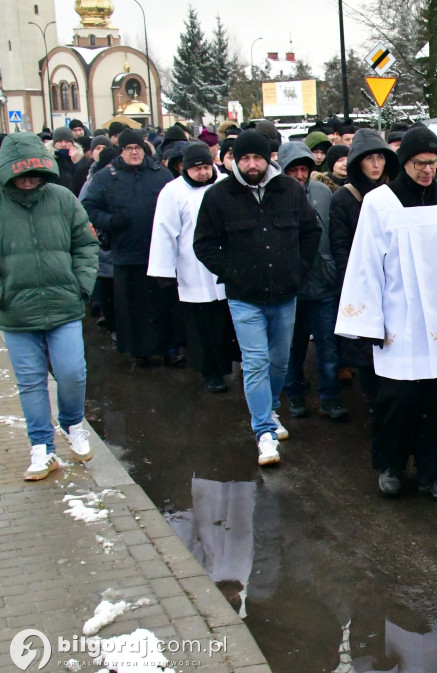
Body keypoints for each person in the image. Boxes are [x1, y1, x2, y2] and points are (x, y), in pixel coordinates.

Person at [335, 128, 437, 502]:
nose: (426, 171)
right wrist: (367, 322)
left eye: (433, 164)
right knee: (398, 399)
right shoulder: (380, 203)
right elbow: (365, 265)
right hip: (400, 320)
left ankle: (436, 471)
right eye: (420, 163)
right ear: (404, 162)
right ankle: (391, 464)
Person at [193, 131, 321, 466]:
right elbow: (203, 243)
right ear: (235, 159)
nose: (252, 164)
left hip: (284, 294)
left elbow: (311, 231)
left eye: (258, 158)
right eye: (245, 158)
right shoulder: (220, 195)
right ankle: (263, 432)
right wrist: (231, 271)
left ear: (269, 159)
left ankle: (271, 409)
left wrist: (300, 268)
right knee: (255, 362)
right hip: (244, 297)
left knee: (279, 360)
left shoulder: (289, 190)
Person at [0, 132, 99, 480]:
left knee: (72, 371)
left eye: (35, 173)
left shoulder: (62, 199)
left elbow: (86, 245)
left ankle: (72, 424)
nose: (29, 181)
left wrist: (80, 286)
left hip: (63, 305)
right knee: (30, 382)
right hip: (16, 312)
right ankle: (41, 448)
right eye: (21, 175)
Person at [82, 127, 176, 366]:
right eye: (129, 148)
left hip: (159, 252)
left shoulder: (160, 174)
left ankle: (169, 349)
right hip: (126, 252)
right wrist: (110, 222)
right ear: (121, 151)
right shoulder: (106, 177)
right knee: (134, 308)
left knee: (163, 305)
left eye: (138, 148)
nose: (135, 152)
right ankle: (139, 351)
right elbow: (89, 207)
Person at [148, 142, 236, 393]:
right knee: (201, 326)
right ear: (185, 168)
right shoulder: (172, 192)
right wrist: (163, 271)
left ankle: (225, 365)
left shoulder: (225, 185)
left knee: (224, 322)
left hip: (225, 265)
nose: (202, 173)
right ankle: (209, 371)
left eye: (206, 167)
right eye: (196, 168)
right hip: (192, 269)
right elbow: (164, 232)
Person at [277, 142, 348, 421]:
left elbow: (332, 230)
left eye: (303, 168)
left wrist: (332, 266)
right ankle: (294, 393)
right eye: (293, 169)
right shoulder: (275, 195)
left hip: (323, 282)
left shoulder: (321, 191)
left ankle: (330, 397)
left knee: (327, 344)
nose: (299, 175)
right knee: (292, 345)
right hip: (293, 286)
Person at [330, 128, 400, 407]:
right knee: (366, 351)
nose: (375, 164)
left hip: (394, 280)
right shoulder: (344, 198)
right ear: (357, 161)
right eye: (368, 158)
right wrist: (358, 285)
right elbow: (341, 247)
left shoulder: (394, 193)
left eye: (379, 158)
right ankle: (375, 405)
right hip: (361, 283)